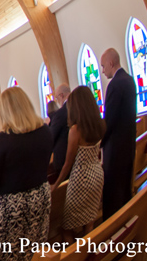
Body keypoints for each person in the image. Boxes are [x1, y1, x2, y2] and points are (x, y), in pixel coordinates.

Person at [0, 87, 53, 261]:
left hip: (14, 206)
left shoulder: (3, 140)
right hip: (41, 196)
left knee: (6, 255)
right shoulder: (44, 131)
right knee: (34, 249)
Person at [51, 86, 106, 243]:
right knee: (89, 223)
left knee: (66, 226)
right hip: (97, 174)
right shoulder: (100, 124)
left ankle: (76, 255)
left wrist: (56, 185)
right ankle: (91, 253)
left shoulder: (75, 130)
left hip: (81, 180)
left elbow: (68, 164)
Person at [99, 48, 137, 220]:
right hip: (128, 143)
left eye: (103, 66)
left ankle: (114, 234)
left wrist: (99, 142)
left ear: (111, 63)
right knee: (124, 189)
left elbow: (110, 120)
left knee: (113, 194)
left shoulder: (114, 84)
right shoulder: (129, 80)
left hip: (115, 150)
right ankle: (127, 223)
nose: (102, 70)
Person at [49, 83, 71, 179]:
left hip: (65, 160)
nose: (57, 101)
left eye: (57, 98)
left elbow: (51, 137)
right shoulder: (78, 107)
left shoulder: (60, 114)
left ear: (61, 95)